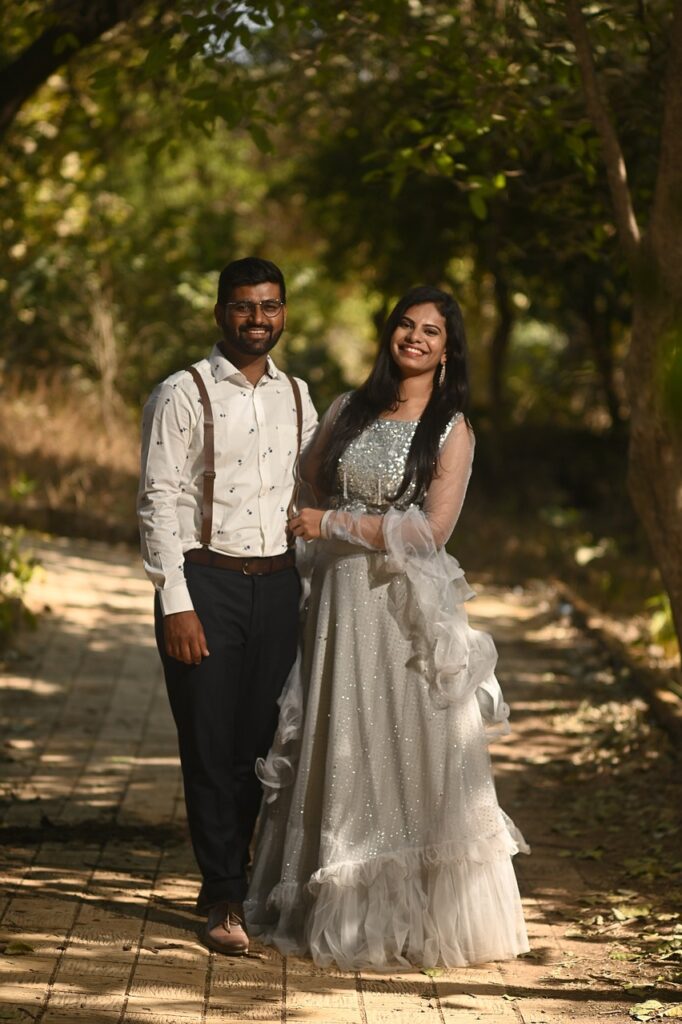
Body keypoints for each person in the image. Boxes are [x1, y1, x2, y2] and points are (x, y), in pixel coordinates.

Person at [245, 284, 530, 970]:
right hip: (341, 601)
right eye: (406, 325)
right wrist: (316, 526)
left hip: (405, 608)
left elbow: (431, 532)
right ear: (390, 333)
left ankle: (417, 915)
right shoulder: (349, 409)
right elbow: (308, 478)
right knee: (341, 733)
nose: (415, 338)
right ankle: (330, 906)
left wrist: (336, 524)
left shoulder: (452, 429)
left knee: (407, 742)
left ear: (448, 349)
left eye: (431, 331)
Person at [137, 257, 318, 956]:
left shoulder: (299, 395)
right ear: (221, 312)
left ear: (283, 312)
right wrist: (175, 601)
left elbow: (304, 499)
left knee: (261, 745)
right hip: (204, 581)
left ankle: (246, 882)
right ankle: (222, 897)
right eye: (244, 307)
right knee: (209, 746)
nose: (258, 319)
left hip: (277, 587)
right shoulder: (182, 392)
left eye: (270, 306)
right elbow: (157, 502)